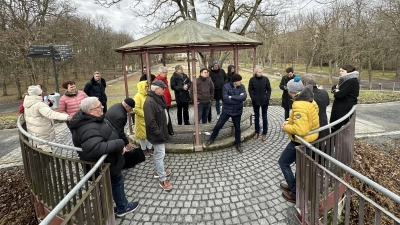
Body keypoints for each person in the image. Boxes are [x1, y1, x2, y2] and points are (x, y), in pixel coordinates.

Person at [69, 97, 139, 217]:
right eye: (99, 106)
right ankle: (123, 207)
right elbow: (95, 148)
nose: (102, 107)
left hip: (111, 161)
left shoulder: (92, 118)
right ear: (90, 111)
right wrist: (119, 143)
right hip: (106, 164)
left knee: (113, 184)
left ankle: (114, 207)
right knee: (117, 183)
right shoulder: (87, 127)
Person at [278, 77, 319, 203]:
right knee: (299, 166)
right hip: (308, 140)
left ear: (291, 91)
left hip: (300, 141)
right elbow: (306, 120)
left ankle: (295, 192)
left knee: (283, 162)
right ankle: (294, 187)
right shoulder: (309, 99)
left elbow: (301, 130)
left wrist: (286, 126)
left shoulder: (299, 104)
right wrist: (290, 121)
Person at [206, 74, 247, 153]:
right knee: (218, 125)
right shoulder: (226, 86)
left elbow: (244, 97)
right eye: (239, 80)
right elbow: (225, 99)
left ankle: (238, 144)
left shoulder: (242, 87)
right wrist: (238, 97)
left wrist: (231, 97)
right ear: (235, 82)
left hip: (237, 111)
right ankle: (211, 139)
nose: (241, 82)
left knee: (238, 128)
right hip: (227, 111)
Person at [144, 80, 173, 191]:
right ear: (156, 89)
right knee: (160, 155)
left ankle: (157, 172)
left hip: (161, 131)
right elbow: (150, 121)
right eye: (163, 88)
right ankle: (162, 179)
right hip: (157, 134)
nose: (164, 90)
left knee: (157, 153)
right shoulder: (150, 102)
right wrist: (159, 133)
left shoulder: (159, 98)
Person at [23, 85, 70, 152]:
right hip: (43, 130)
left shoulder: (27, 102)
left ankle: (42, 160)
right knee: (46, 148)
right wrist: (67, 117)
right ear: (39, 93)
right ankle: (47, 161)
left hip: (34, 129)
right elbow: (50, 114)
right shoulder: (39, 104)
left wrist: (45, 105)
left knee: (39, 146)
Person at [330, 64, 359, 133]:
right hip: (341, 105)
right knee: (335, 124)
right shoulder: (344, 80)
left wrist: (336, 91)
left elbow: (338, 95)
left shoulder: (351, 81)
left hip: (344, 107)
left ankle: (336, 142)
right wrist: (336, 90)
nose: (340, 73)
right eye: (340, 71)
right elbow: (334, 88)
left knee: (339, 126)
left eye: (342, 71)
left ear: (348, 72)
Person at [301, 75, 330, 139]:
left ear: (304, 84)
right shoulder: (324, 92)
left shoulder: (305, 96)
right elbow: (327, 103)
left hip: (312, 126)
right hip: (323, 123)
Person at [248, 66, 271, 141]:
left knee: (264, 117)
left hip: (264, 101)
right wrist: (253, 98)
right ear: (256, 72)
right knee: (256, 117)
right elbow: (250, 90)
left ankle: (264, 133)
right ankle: (257, 132)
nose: (261, 73)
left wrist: (267, 97)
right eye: (259, 72)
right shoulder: (252, 80)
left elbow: (269, 89)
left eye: (261, 72)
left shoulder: (265, 79)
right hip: (256, 101)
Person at [133, 81, 153, 156]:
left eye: (147, 86)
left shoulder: (148, 95)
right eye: (145, 86)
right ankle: (143, 149)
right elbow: (135, 109)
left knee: (151, 133)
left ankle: (149, 147)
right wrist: (145, 114)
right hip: (141, 119)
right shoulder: (137, 96)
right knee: (142, 136)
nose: (147, 88)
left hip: (149, 118)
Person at [154, 66, 173, 135]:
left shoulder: (164, 80)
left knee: (167, 116)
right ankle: (166, 131)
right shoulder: (158, 81)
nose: (166, 74)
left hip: (166, 101)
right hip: (163, 102)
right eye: (165, 72)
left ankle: (169, 130)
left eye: (166, 72)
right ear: (160, 72)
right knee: (165, 117)